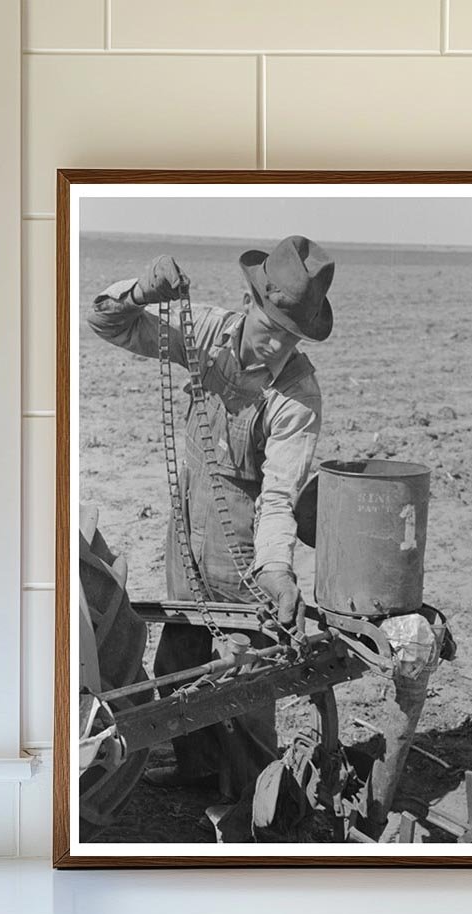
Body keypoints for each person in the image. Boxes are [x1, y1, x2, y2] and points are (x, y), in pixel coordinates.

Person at [86, 235, 334, 799]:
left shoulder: (298, 398)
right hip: (187, 531)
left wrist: (276, 570)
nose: (276, 346)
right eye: (270, 329)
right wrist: (140, 291)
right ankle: (196, 770)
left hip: (245, 549)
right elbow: (108, 323)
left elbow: (280, 495)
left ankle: (255, 798)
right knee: (179, 655)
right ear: (248, 303)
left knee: (247, 678)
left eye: (290, 337)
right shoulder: (205, 331)